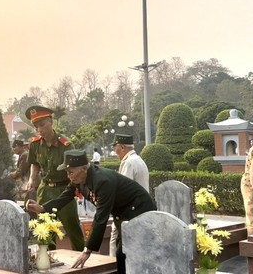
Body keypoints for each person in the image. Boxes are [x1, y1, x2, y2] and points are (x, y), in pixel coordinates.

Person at [26, 150, 156, 274]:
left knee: (129, 252)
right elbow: (63, 198)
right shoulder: (79, 180)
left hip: (139, 210)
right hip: (122, 213)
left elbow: (101, 216)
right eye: (67, 172)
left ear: (83, 168)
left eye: (71, 172)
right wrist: (42, 208)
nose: (68, 176)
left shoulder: (102, 181)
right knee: (122, 254)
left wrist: (87, 250)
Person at [24, 105, 84, 251]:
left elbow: (75, 170)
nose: (39, 129)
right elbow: (35, 164)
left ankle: (83, 263)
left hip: (64, 191)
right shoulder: (35, 144)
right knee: (44, 232)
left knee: (73, 230)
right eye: (36, 126)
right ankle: (47, 261)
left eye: (42, 124)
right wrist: (32, 178)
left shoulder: (66, 145)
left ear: (51, 121)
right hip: (45, 191)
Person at [109, 134, 150, 256]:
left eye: (115, 147)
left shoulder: (129, 163)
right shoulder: (138, 160)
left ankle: (112, 266)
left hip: (129, 211)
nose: (114, 151)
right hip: (141, 208)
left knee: (115, 240)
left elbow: (123, 189)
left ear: (122, 147)